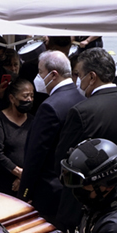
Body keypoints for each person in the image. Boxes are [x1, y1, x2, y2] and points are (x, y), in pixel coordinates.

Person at [55, 48, 117, 233]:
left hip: (83, 204)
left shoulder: (81, 111)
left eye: (79, 75)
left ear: (92, 77)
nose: (77, 81)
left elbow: (63, 161)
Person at [20, 50, 85, 221]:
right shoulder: (81, 98)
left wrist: (25, 192)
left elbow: (36, 154)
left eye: (41, 72)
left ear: (53, 74)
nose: (38, 77)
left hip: (49, 191)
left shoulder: (50, 106)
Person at [0, 78, 34, 196]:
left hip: (26, 182)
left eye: (32, 96)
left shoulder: (33, 121)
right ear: (12, 98)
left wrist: (24, 177)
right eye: (25, 96)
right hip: (2, 183)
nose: (29, 100)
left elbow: (38, 150)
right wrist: (17, 171)